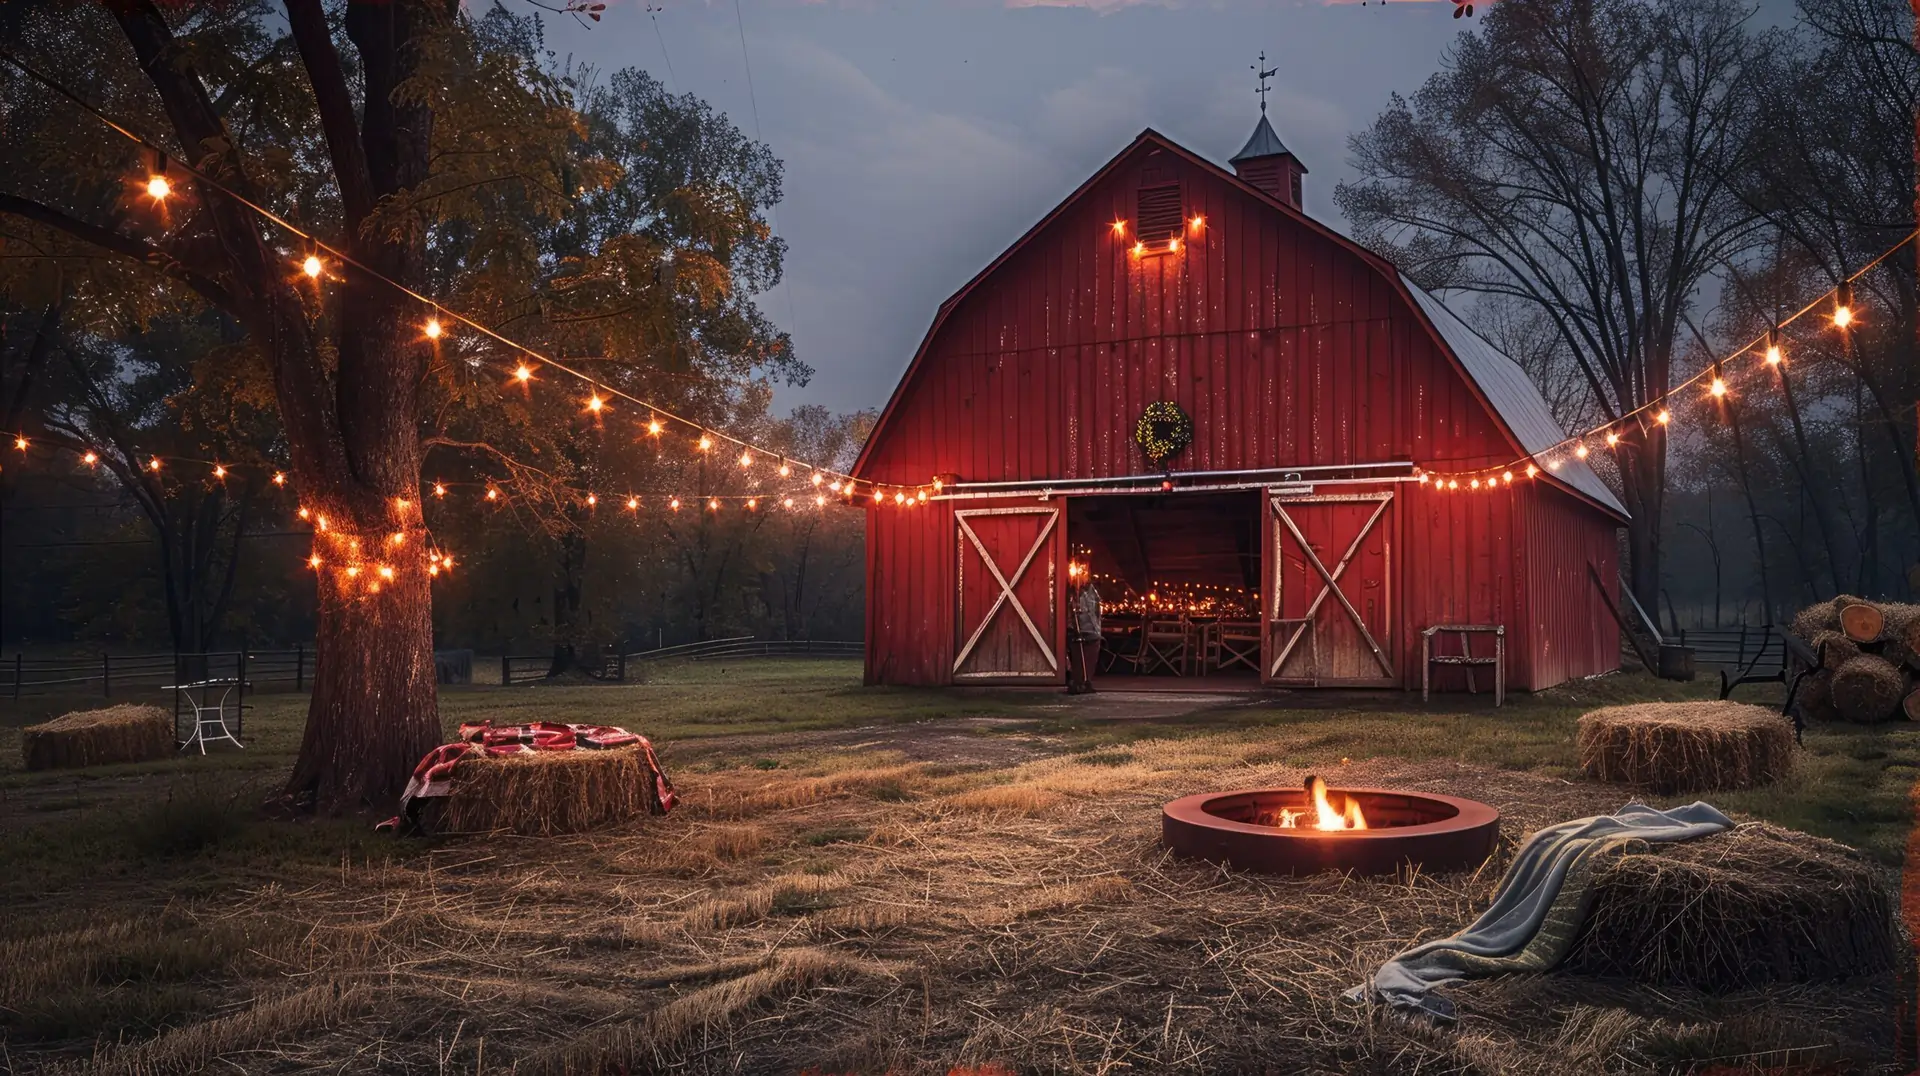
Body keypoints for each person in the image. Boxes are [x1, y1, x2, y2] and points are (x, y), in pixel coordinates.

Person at [1067, 569, 1102, 694]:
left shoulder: (1091, 592)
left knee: (1090, 655)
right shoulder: (1073, 592)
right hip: (1078, 629)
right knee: (1078, 656)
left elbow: (1095, 610)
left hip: (1091, 629)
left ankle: (1086, 680)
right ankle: (1078, 681)